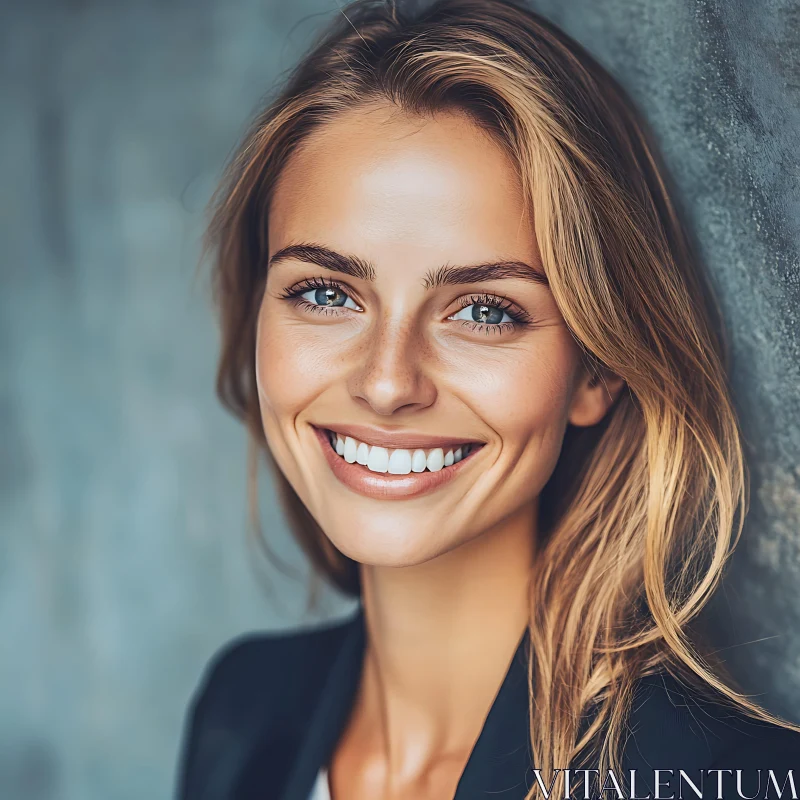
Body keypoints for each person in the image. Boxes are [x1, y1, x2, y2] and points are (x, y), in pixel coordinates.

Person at [175, 1, 800, 798]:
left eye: (483, 311)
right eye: (328, 293)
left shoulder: (730, 780)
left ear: (597, 369)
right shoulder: (245, 711)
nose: (387, 382)